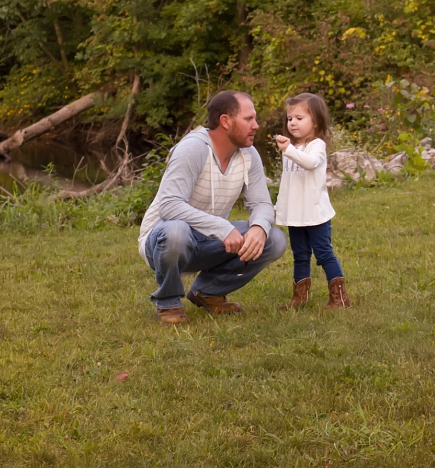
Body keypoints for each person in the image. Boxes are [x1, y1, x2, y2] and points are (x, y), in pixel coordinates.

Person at [138, 89, 286, 324]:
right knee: (176, 230)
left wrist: (259, 226)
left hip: (207, 241)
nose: (256, 125)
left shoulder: (249, 155)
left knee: (273, 239)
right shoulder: (194, 148)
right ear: (225, 121)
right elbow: (169, 205)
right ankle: (168, 303)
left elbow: (261, 204)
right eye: (249, 119)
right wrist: (221, 227)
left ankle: (208, 291)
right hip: (163, 241)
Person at [273, 91, 350, 311]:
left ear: (315, 121)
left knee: (324, 253)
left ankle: (340, 298)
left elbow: (310, 163)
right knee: (300, 255)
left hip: (315, 213)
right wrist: (280, 207)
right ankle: (300, 298)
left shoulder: (317, 146)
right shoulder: (292, 149)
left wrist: (287, 149)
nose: (293, 123)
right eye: (289, 119)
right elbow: (287, 182)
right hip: (295, 214)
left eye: (299, 118)